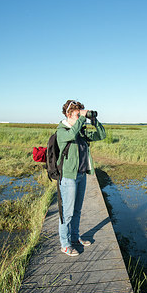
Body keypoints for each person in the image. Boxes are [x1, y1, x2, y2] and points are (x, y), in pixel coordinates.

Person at [56, 99, 106, 256]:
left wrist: (93, 120)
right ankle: (65, 244)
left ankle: (75, 237)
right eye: (78, 114)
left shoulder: (81, 131)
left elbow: (101, 135)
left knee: (77, 210)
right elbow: (72, 134)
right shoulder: (62, 131)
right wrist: (82, 119)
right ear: (68, 114)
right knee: (67, 213)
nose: (80, 117)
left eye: (81, 114)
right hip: (68, 177)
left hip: (81, 175)